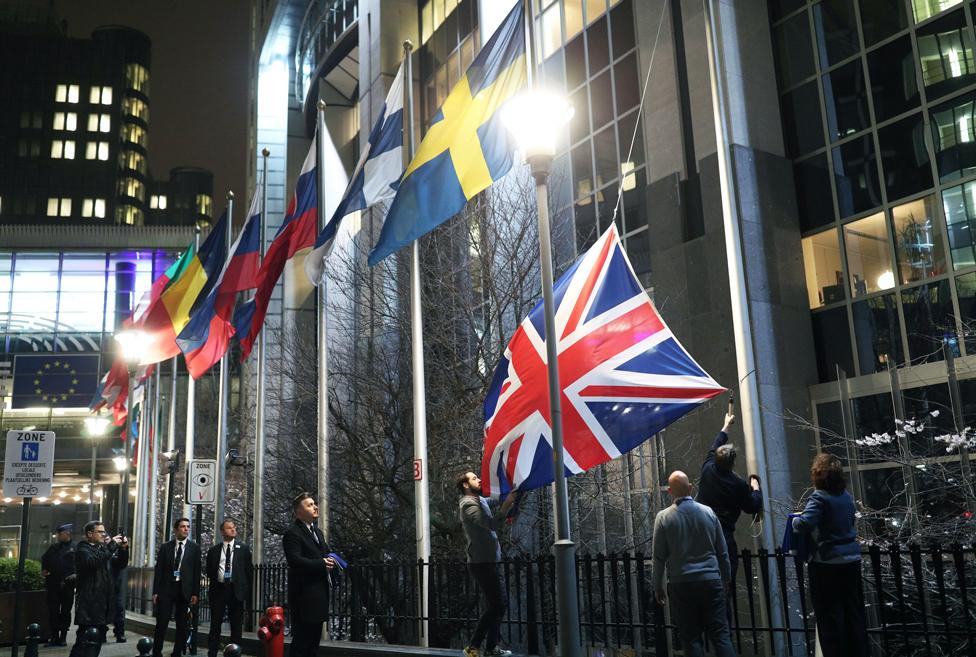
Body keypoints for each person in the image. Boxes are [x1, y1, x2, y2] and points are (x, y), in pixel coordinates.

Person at [792, 453, 868, 657]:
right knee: (852, 614)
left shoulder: (819, 497)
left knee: (830, 618)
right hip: (851, 560)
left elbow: (805, 524)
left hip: (827, 563)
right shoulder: (845, 496)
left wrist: (794, 520)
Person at [652, 471, 735, 657]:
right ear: (690, 488)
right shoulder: (708, 513)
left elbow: (658, 558)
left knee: (691, 639)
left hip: (681, 584)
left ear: (670, 491)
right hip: (711, 580)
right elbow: (722, 550)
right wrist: (726, 577)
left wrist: (657, 586)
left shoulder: (664, 518)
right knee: (721, 636)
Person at [697, 411, 763, 591]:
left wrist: (726, 425)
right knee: (724, 587)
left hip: (702, 534)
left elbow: (716, 443)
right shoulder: (738, 484)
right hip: (724, 537)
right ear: (732, 464)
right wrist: (756, 487)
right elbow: (752, 505)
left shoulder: (707, 468)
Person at [456, 471, 520, 657]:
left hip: (489, 560)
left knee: (497, 604)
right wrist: (507, 504)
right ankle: (475, 646)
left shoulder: (479, 500)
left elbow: (495, 500)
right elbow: (490, 523)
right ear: (466, 485)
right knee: (498, 604)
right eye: (475, 478)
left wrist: (512, 491)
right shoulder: (468, 505)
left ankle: (490, 648)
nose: (480, 480)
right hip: (481, 562)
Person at [283, 493, 336, 657]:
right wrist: (322, 563)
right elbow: (295, 560)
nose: (315, 507)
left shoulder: (317, 532)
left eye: (314, 504)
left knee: (313, 644)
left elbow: (326, 553)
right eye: (310, 505)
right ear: (298, 512)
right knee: (301, 643)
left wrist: (335, 560)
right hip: (303, 596)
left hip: (319, 594)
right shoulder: (293, 533)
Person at [69, 520, 129, 657]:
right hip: (89, 605)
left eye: (104, 531)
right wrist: (111, 545)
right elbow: (93, 562)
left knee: (97, 641)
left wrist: (124, 548)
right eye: (100, 531)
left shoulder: (102, 550)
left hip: (103, 605)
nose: (103, 534)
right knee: (83, 640)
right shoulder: (83, 549)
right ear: (89, 534)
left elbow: (120, 564)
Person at [152, 517, 201, 657]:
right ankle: (156, 652)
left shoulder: (194, 548)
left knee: (182, 625)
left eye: (188, 526)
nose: (186, 529)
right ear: (175, 529)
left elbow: (197, 572)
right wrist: (155, 591)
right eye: (182, 526)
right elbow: (159, 570)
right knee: (161, 623)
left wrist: (195, 593)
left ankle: (177, 653)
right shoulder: (165, 547)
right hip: (167, 589)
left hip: (184, 590)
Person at [206, 519, 253, 657]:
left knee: (236, 626)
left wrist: (246, 592)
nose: (233, 530)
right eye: (229, 528)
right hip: (219, 590)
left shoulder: (243, 549)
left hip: (236, 590)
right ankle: (212, 652)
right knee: (215, 624)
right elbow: (210, 571)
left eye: (234, 527)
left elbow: (248, 572)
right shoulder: (214, 550)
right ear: (222, 531)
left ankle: (235, 653)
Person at [41, 523, 76, 646]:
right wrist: (44, 570)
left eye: (59, 534)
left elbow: (80, 565)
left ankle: (63, 637)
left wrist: (75, 575)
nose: (57, 536)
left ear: (67, 533)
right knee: (53, 611)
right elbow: (44, 559)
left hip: (67, 585)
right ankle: (54, 637)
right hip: (53, 584)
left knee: (65, 612)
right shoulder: (54, 547)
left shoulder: (75, 548)